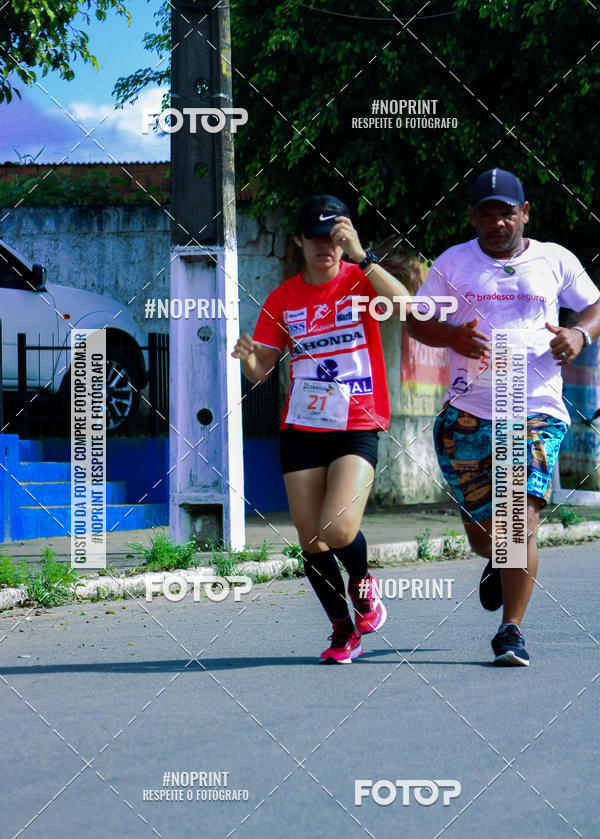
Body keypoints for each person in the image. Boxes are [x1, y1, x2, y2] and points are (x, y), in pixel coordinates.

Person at [408, 168, 600, 666]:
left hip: (535, 408)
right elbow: (417, 319)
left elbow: (595, 305)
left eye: (506, 213)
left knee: (519, 521)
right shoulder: (454, 263)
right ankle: (498, 559)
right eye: (486, 214)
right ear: (473, 217)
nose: (497, 223)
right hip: (468, 411)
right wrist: (449, 337)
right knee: (484, 535)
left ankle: (510, 630)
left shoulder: (555, 260)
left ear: (525, 214)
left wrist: (581, 334)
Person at [232, 194, 410, 663]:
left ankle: (363, 581)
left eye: (334, 238)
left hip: (357, 422)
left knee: (337, 526)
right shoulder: (283, 297)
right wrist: (249, 357)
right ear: (299, 241)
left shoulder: (361, 281)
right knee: (311, 538)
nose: (325, 248)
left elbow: (410, 307)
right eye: (316, 239)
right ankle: (341, 630)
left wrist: (364, 256)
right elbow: (262, 372)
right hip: (303, 427)